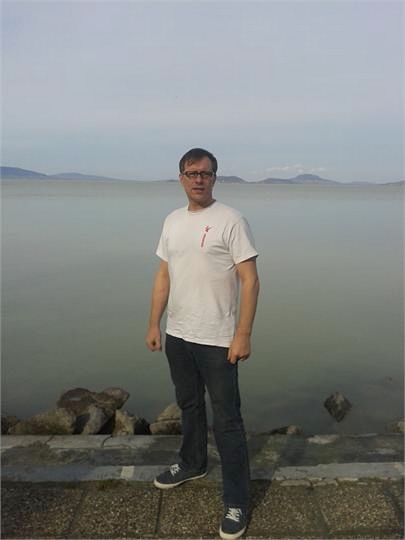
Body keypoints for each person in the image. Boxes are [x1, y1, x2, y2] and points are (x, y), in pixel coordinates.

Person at [145, 148, 259, 540]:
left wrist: (243, 333)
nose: (198, 179)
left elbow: (250, 279)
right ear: (181, 177)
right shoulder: (172, 221)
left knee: (227, 421)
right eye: (191, 173)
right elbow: (164, 275)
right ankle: (192, 462)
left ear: (214, 178)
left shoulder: (231, 220)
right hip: (178, 334)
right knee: (189, 405)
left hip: (217, 340)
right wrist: (154, 324)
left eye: (205, 174)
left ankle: (237, 500)